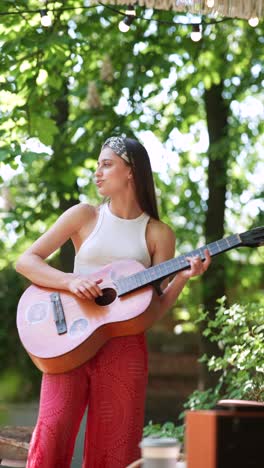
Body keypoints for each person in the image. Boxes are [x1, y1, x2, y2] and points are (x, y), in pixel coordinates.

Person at [16, 136, 211, 468]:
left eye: (106, 164)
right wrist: (71, 280)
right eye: (97, 165)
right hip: (69, 341)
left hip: (124, 348)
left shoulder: (159, 234)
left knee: (116, 450)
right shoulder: (84, 215)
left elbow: (154, 309)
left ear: (131, 170)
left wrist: (182, 277)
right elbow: (27, 261)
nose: (97, 173)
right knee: (51, 437)